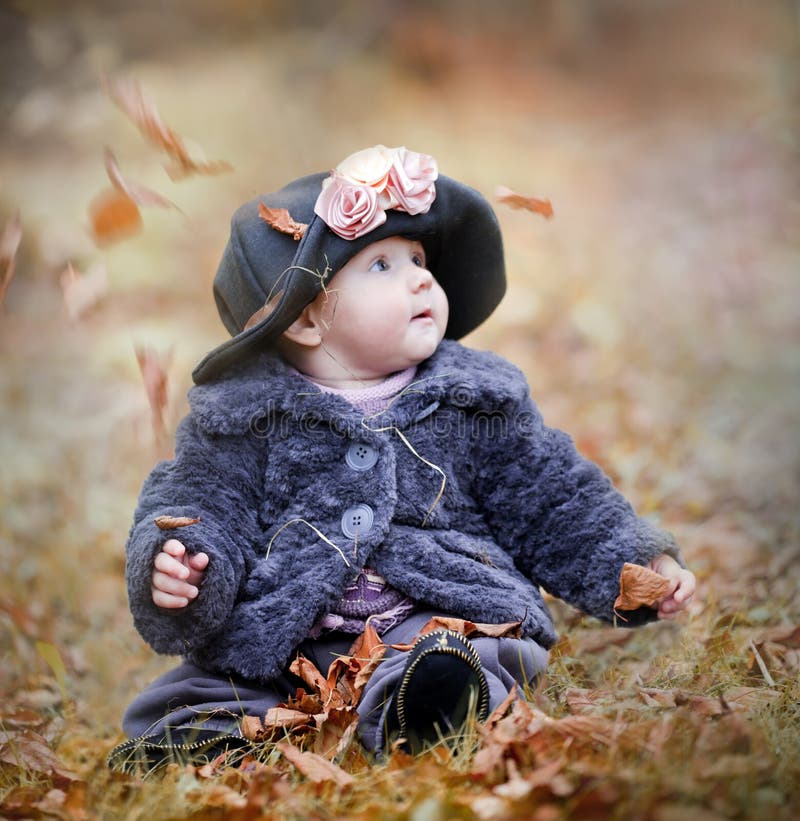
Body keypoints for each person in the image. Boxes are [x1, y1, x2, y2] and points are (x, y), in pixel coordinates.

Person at [108, 145, 695, 772]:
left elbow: (553, 499)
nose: (421, 277)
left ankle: (430, 707)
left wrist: (636, 563)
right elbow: (200, 503)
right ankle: (203, 740)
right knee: (214, 681)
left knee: (465, 648)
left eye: (419, 259)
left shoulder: (474, 402)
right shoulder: (243, 417)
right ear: (306, 319)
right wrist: (182, 566)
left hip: (433, 606)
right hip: (288, 628)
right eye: (382, 265)